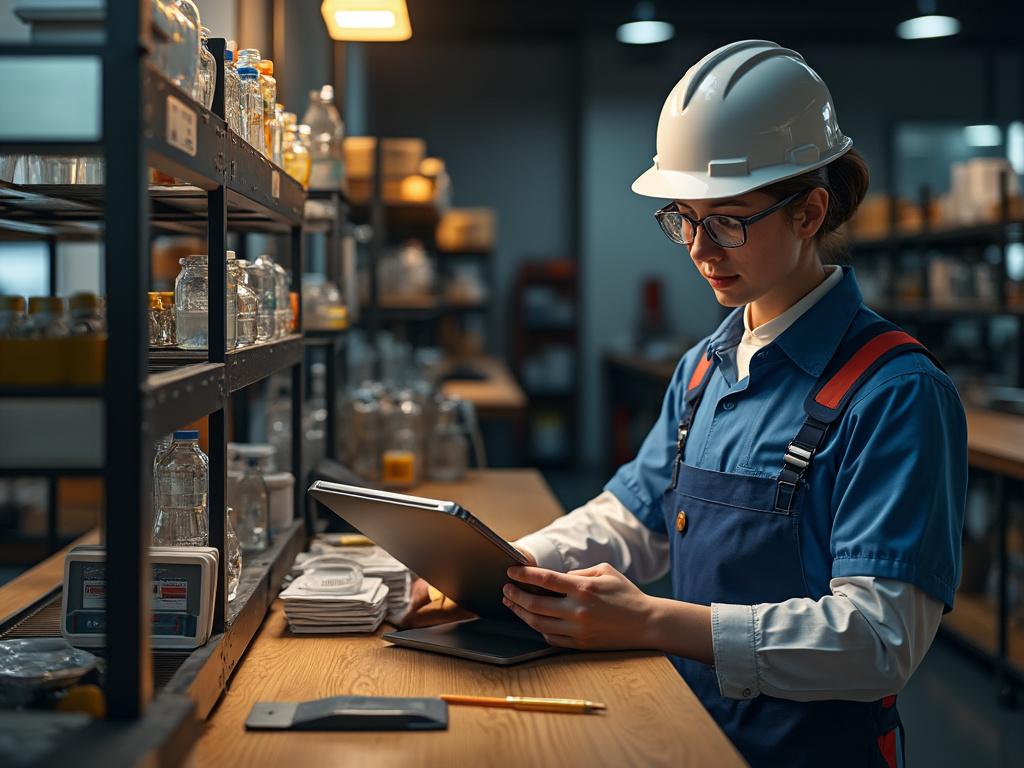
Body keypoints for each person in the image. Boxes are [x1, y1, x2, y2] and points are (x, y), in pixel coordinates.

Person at [404, 40, 967, 768]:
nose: (701, 249)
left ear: (810, 213)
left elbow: (877, 642)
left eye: (728, 220)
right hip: (690, 736)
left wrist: (652, 621)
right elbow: (633, 517)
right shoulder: (705, 368)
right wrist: (504, 569)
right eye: (684, 219)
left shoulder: (895, 394)